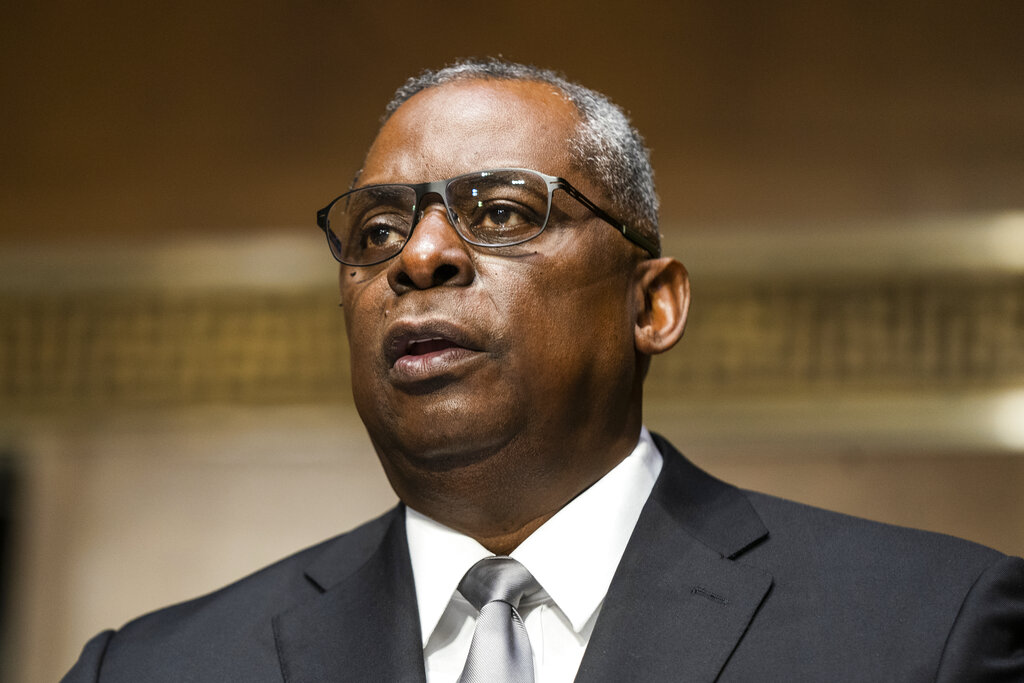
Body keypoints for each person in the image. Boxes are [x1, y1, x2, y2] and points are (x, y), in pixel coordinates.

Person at [63, 58, 1023, 682]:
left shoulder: (927, 632)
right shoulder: (154, 668)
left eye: (505, 212)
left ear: (652, 304)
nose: (419, 256)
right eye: (379, 228)